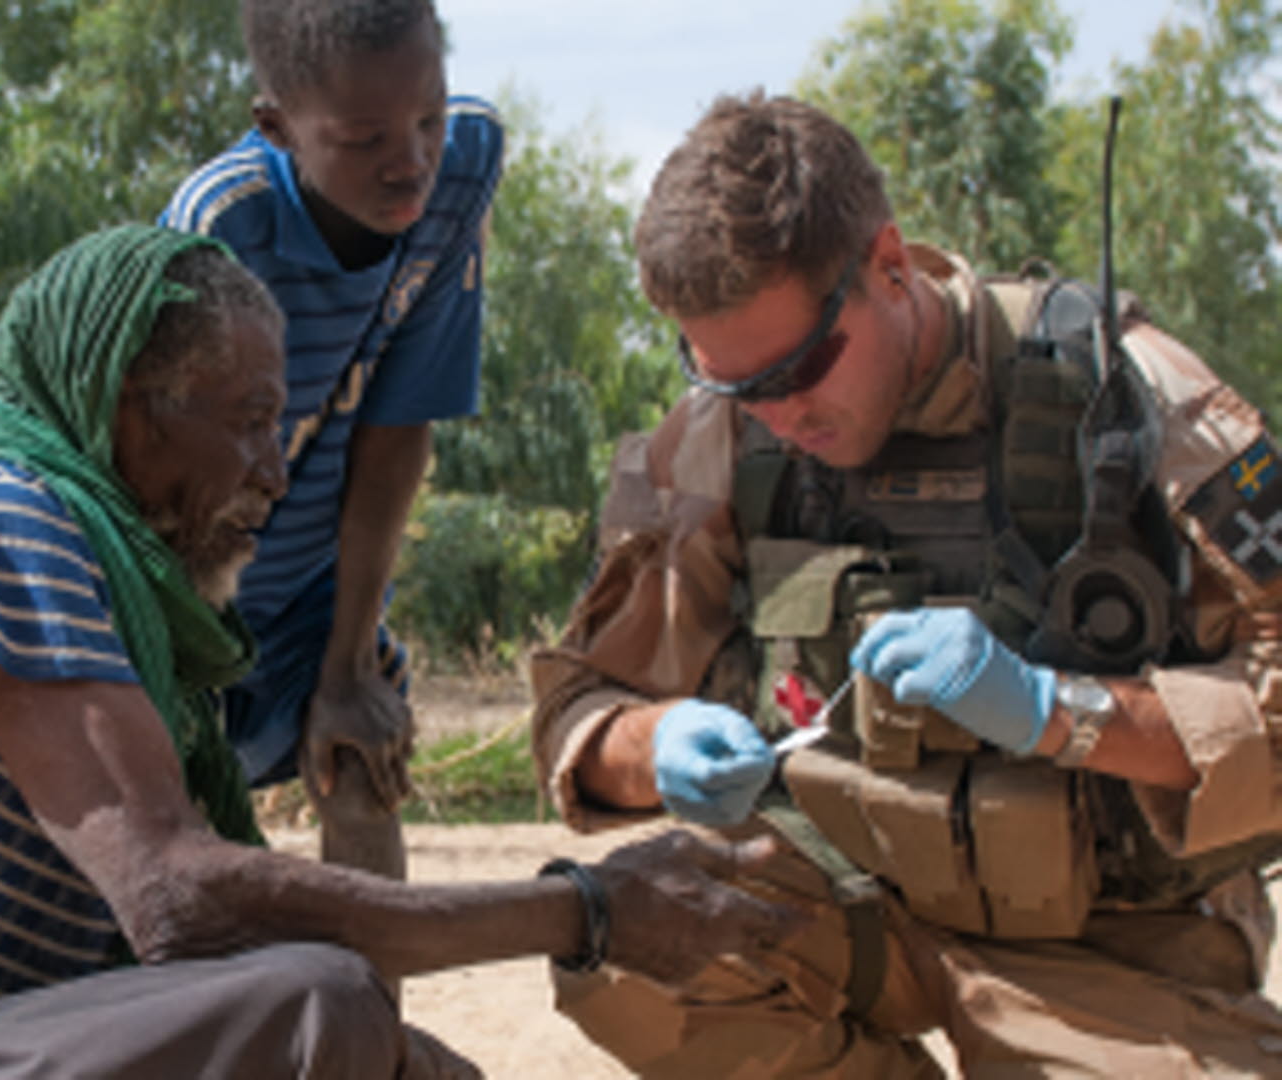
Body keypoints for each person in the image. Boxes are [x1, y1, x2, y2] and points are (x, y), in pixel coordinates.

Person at [0, 224, 796, 1080]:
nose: (277, 473)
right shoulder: (4, 526)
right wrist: (586, 910)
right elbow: (179, 902)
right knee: (314, 1008)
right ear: (125, 407)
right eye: (246, 422)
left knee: (348, 1025)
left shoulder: (118, 601)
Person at [529, 91, 1282, 1077]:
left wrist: (1062, 710)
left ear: (888, 266)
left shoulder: (1132, 398)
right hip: (844, 903)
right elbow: (582, 701)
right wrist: (650, 743)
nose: (780, 415)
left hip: (1110, 948)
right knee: (625, 948)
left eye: (803, 368)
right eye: (738, 385)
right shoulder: (719, 435)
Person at [158, 0, 503, 879]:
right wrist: (183, 662)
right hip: (183, 595)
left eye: (428, 116)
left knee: (362, 745)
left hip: (320, 582)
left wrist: (349, 660)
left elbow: (397, 426)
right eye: (364, 140)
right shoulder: (219, 232)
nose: (412, 163)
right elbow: (169, 488)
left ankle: (371, 1017)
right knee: (178, 836)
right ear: (276, 127)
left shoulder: (464, 170)